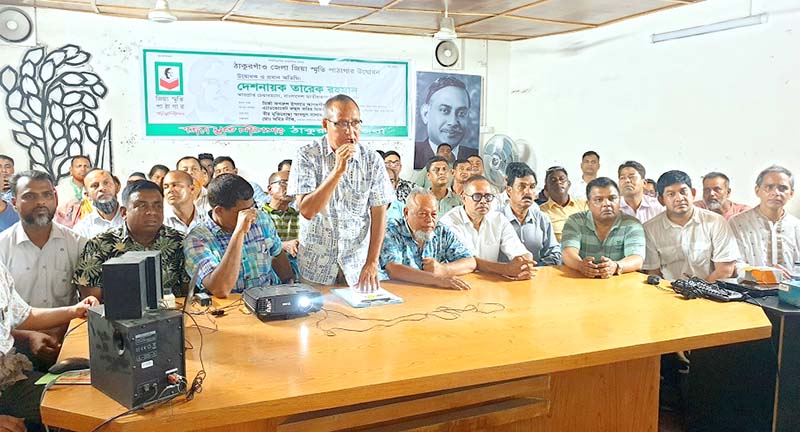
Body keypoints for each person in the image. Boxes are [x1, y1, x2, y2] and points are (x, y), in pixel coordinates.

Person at [287, 95, 394, 289]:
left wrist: (372, 262)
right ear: (325, 124)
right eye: (342, 124)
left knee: (358, 318)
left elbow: (379, 213)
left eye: (355, 123)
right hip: (315, 265)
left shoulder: (372, 160)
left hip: (356, 265)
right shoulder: (306, 155)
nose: (350, 131)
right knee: (315, 318)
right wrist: (337, 171)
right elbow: (307, 210)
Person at [0, 170, 86, 369]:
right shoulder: (2, 248)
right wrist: (28, 336)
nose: (40, 202)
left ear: (55, 197)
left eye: (46, 194)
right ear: (14, 203)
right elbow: (13, 317)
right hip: (14, 350)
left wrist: (63, 332)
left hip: (69, 340)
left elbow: (87, 303)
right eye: (29, 196)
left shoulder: (78, 244)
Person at [0, 262, 97, 430]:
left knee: (85, 400)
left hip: (8, 377)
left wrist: (75, 310)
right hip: (6, 392)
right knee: (74, 413)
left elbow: (24, 315)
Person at [73, 181, 188, 300]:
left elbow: (188, 294)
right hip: (116, 317)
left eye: (158, 206)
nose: (152, 212)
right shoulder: (99, 246)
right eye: (142, 206)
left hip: (170, 314)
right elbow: (92, 302)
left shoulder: (179, 242)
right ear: (124, 212)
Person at [185, 174, 293, 298]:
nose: (251, 215)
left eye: (252, 207)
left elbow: (277, 253)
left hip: (266, 301)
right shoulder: (197, 239)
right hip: (226, 310)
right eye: (243, 212)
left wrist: (289, 285)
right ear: (219, 211)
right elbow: (220, 289)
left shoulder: (261, 219)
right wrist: (239, 233)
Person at [643, 170, 739, 282]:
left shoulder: (716, 222)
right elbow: (653, 273)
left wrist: (699, 291)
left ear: (693, 193)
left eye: (683, 192)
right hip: (668, 293)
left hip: (711, 293)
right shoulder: (650, 229)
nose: (679, 198)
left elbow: (725, 270)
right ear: (661, 200)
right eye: (671, 194)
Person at [440, 176, 536, 279]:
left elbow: (517, 249)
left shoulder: (498, 219)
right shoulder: (449, 222)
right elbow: (471, 261)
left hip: (491, 281)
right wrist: (507, 269)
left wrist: (525, 264)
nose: (483, 201)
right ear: (463, 198)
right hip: (458, 281)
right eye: (477, 196)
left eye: (488, 196)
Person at [380, 189, 475, 289]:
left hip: (429, 295)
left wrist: (444, 269)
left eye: (434, 214)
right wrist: (437, 279)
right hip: (397, 293)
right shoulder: (391, 230)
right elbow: (394, 270)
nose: (429, 220)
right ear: (406, 213)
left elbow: (470, 262)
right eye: (423, 214)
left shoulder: (440, 230)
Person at [561, 177, 645, 278]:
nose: (606, 204)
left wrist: (616, 266)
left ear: (619, 201)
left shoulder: (632, 224)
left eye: (612, 198)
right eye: (598, 200)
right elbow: (567, 252)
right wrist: (580, 265)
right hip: (581, 280)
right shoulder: (575, 221)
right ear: (588, 204)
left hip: (619, 283)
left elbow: (637, 258)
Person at [730, 165, 800, 272]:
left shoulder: (797, 226)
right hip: (748, 287)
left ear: (791, 194)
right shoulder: (737, 223)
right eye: (769, 187)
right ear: (757, 191)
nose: (775, 193)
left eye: (782, 188)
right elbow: (733, 264)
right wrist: (764, 272)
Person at [500, 162, 561, 266]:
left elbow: (554, 253)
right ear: (509, 191)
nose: (528, 192)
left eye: (532, 187)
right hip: (501, 277)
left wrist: (537, 267)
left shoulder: (542, 218)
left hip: (534, 276)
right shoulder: (496, 219)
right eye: (522, 186)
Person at [413, 76, 478, 169]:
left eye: (461, 113)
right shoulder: (414, 152)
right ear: (425, 114)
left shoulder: (474, 157)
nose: (453, 122)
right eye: (444, 110)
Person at [263, 170, 300, 278]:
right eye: (284, 183)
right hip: (270, 270)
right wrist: (284, 246)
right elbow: (257, 245)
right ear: (270, 189)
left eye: (292, 184)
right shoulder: (260, 216)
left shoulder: (299, 216)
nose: (289, 188)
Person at [539, 166, 588, 242]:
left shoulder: (584, 205)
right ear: (546, 188)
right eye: (553, 180)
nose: (558, 182)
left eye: (562, 179)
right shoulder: (540, 212)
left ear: (569, 184)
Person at [72, 168, 124, 239]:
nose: (102, 188)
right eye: (95, 185)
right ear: (87, 195)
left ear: (117, 187)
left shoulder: (133, 219)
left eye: (106, 183)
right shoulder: (81, 230)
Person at [54, 156, 91, 228]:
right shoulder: (59, 190)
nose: (83, 169)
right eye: (79, 166)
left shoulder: (96, 189)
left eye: (86, 166)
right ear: (71, 170)